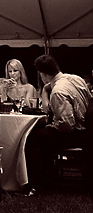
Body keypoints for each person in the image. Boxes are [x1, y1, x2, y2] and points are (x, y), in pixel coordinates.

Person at [24, 54, 91, 194]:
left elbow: (66, 125)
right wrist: (45, 90)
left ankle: (38, 183)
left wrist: (52, 126)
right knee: (43, 134)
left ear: (42, 74)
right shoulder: (76, 79)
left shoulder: (58, 92)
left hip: (76, 133)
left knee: (33, 138)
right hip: (88, 128)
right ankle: (49, 174)